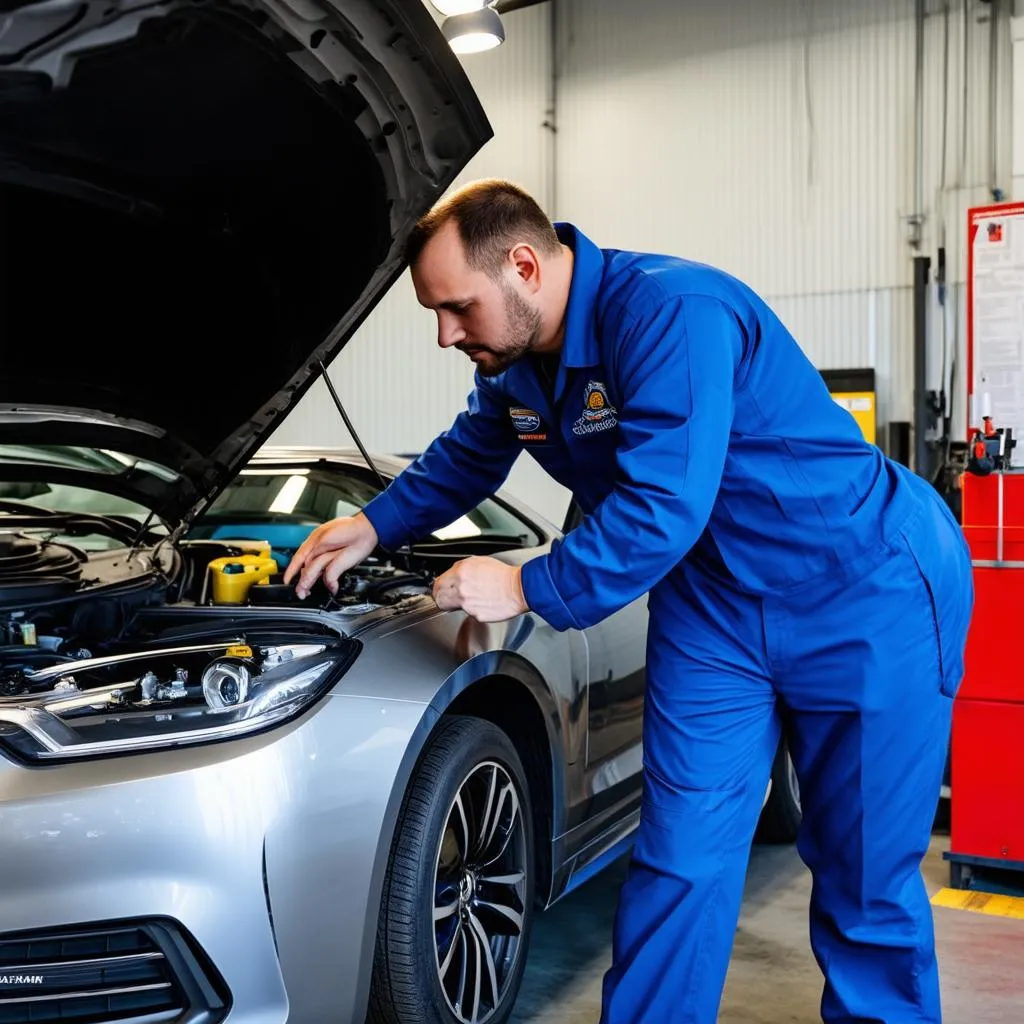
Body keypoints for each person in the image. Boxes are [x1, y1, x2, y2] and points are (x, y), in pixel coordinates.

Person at [283, 178, 974, 1023]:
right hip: (716, 609)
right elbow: (469, 454)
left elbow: (664, 506)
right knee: (680, 859)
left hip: (866, 588)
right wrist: (370, 526)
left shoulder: (672, 312)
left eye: (457, 309)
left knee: (865, 875)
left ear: (526, 266)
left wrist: (525, 584)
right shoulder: (517, 367)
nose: (445, 334)